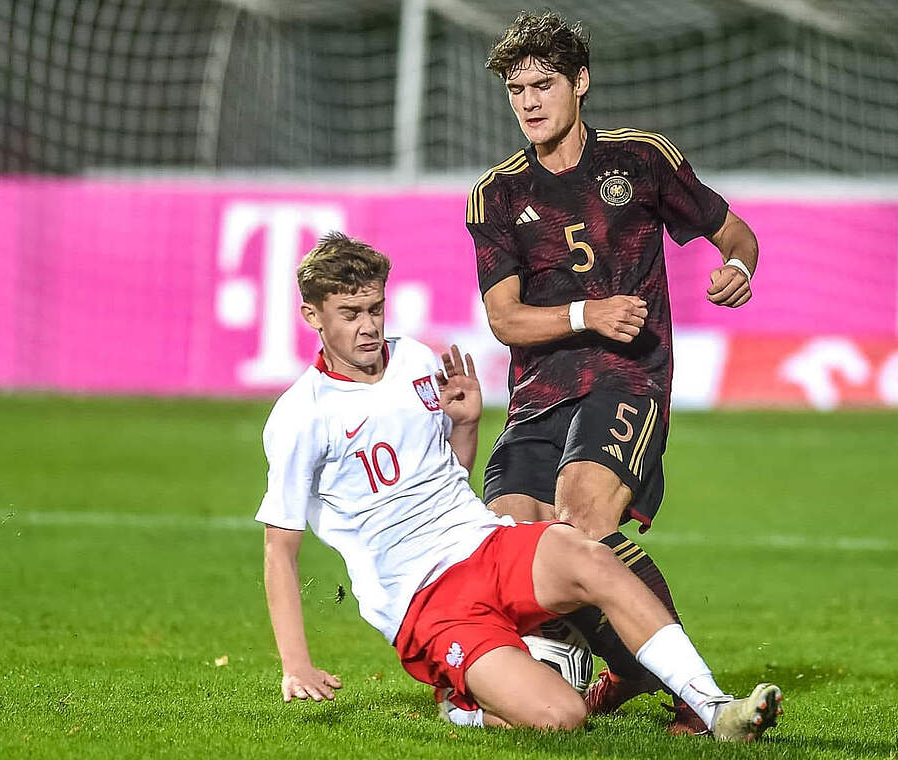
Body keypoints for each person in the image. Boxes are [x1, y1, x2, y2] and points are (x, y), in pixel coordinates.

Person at [257, 232, 781, 741]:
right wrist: (296, 664)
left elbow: (445, 478)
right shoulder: (302, 416)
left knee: (590, 552)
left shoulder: (414, 360)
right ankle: (461, 706)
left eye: (375, 308)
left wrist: (464, 426)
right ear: (313, 317)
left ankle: (713, 708)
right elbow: (280, 550)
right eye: (350, 314)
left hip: (482, 543)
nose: (368, 325)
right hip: (423, 600)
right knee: (563, 716)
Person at [466, 11, 760, 732]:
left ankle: (696, 697)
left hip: (628, 381)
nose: (530, 101)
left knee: (581, 513)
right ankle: (628, 668)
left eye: (543, 84)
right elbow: (505, 320)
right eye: (516, 89)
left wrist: (738, 268)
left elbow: (735, 234)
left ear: (581, 82)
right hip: (538, 399)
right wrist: (586, 314)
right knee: (512, 536)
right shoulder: (496, 195)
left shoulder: (641, 159)